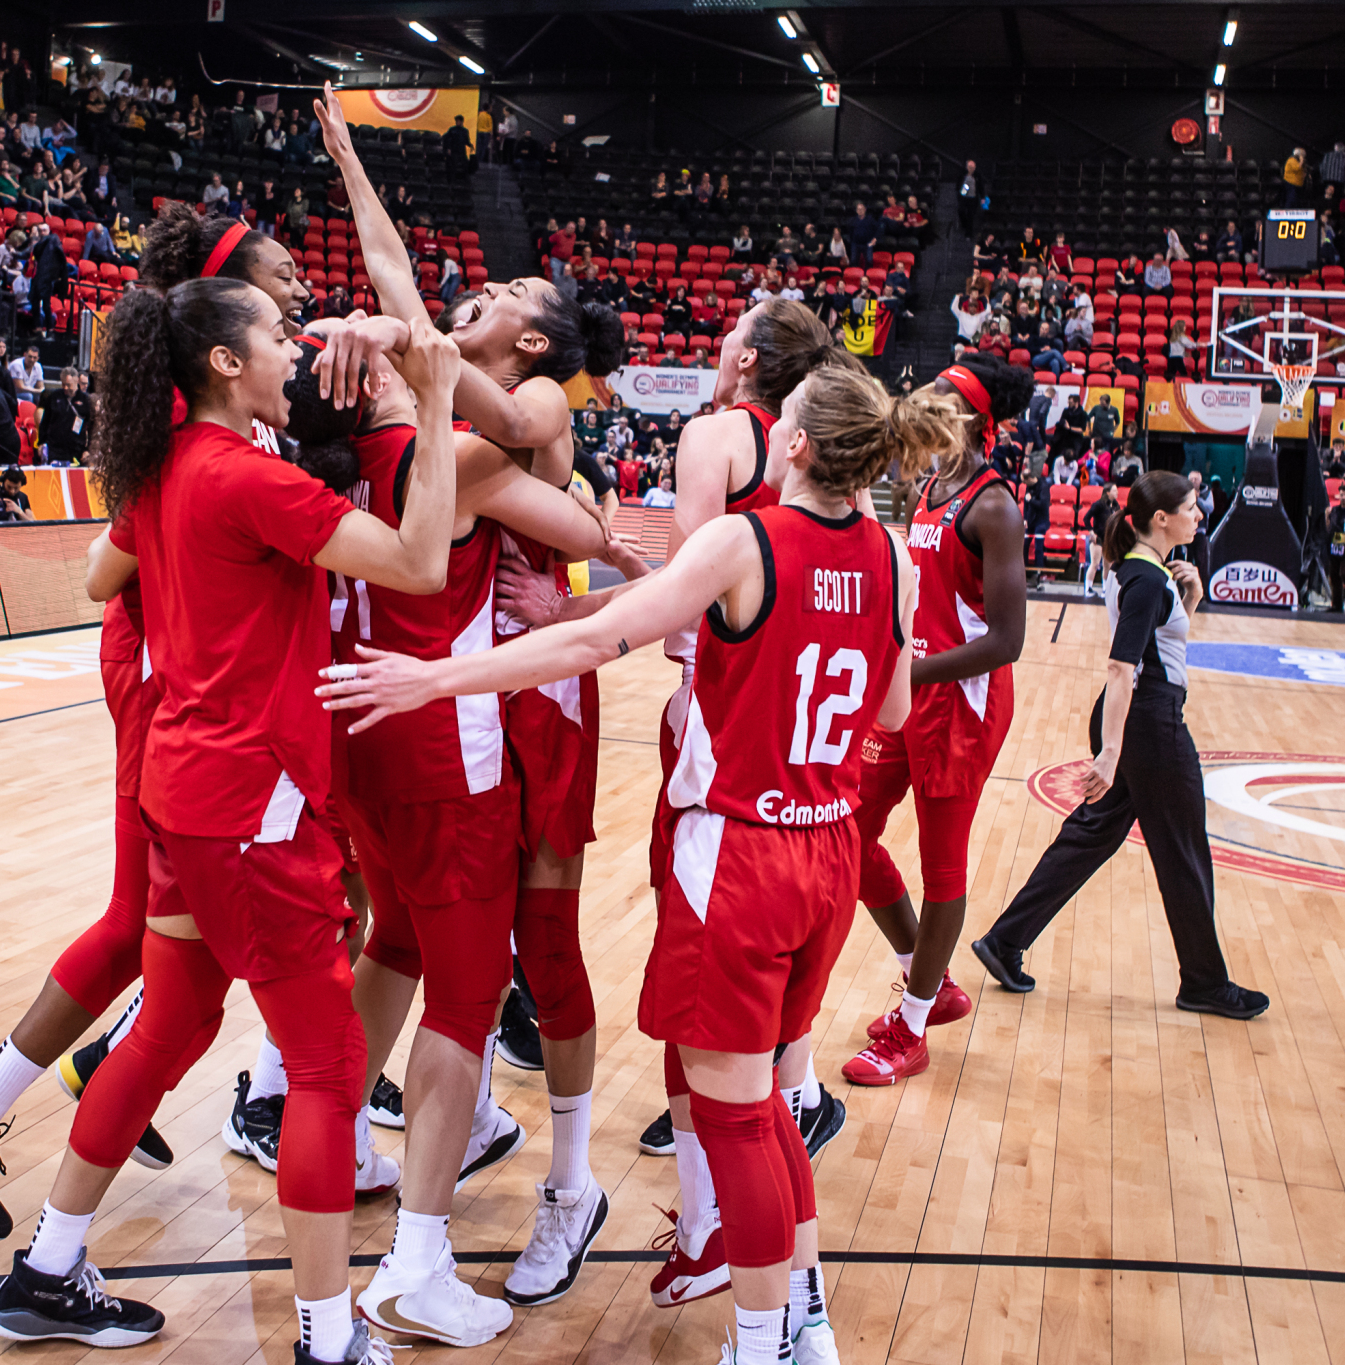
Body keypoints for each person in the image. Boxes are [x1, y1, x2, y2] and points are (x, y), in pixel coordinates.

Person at [319, 362, 941, 1365]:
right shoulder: (888, 558)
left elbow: (597, 637)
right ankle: (802, 1323)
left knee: (733, 1117)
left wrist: (436, 674)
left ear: (791, 446)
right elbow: (892, 713)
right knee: (773, 1098)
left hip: (740, 850)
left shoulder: (740, 541)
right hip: (830, 846)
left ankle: (755, 1342)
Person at [0, 279, 460, 1365]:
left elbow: (101, 576)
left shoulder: (160, 470)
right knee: (332, 1069)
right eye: (279, 336)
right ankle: (327, 1340)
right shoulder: (247, 477)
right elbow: (421, 565)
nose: (296, 350)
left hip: (183, 793)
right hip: (248, 807)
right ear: (227, 366)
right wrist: (431, 406)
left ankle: (47, 1269)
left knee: (167, 1027)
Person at [312, 85, 630, 1300]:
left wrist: (400, 343)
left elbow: (514, 465)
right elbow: (395, 278)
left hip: (526, 693)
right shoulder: (447, 410)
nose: (479, 294)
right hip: (450, 674)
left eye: (505, 299)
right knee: (408, 933)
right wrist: (353, 170)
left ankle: (566, 1179)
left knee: (535, 943)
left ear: (535, 341)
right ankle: (351, 1121)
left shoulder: (540, 403)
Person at [290, 328, 612, 1335]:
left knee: (391, 942)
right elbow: (583, 529)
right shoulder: (452, 459)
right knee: (466, 1001)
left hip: (359, 751)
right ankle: (416, 1265)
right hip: (446, 756)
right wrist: (581, 506)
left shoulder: (316, 475)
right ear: (376, 382)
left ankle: (338, 1139)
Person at [563, 299, 860, 1311]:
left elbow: (682, 590)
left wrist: (564, 603)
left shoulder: (710, 438)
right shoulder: (881, 543)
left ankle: (723, 1252)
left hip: (723, 734)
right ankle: (785, 1138)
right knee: (766, 1044)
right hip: (819, 794)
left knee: (714, 1028)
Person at [972, 470, 1268, 1020]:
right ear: (1162, 519)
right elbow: (1121, 666)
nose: (1199, 515)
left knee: (1089, 839)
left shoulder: (1141, 570)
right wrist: (1110, 752)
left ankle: (1004, 941)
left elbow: (1157, 650)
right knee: (1183, 849)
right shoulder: (1147, 580)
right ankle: (1205, 982)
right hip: (1148, 725)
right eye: (1191, 507)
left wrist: (1193, 599)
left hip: (1140, 720)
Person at [843, 355, 1030, 1089]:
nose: (926, 401)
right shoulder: (929, 486)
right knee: (847, 826)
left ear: (973, 419)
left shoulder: (993, 506)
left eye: (944, 396)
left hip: (963, 702)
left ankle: (912, 1028)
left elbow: (1007, 639)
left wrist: (907, 669)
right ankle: (928, 976)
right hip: (911, 689)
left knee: (941, 863)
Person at [38, 366, 93, 464]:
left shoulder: (86, 400)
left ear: (76, 381)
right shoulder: (54, 397)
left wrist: (87, 449)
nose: (65, 388)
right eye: (63, 384)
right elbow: (45, 422)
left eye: (68, 385)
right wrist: (41, 442)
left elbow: (92, 427)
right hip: (54, 448)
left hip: (76, 449)